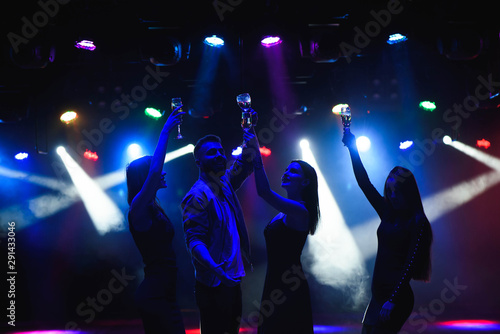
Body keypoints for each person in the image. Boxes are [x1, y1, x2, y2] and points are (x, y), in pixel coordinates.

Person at [342, 130, 433, 334]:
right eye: (389, 191)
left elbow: (409, 264)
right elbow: (365, 184)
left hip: (396, 297)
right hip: (378, 295)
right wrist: (352, 148)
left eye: (397, 192)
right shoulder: (387, 213)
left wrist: (393, 299)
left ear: (408, 192)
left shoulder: (417, 222)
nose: (392, 196)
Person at [180, 111, 257, 334]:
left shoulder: (224, 183)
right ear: (198, 161)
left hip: (230, 280)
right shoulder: (198, 195)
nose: (219, 155)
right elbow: (194, 241)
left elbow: (245, 160)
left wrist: (249, 128)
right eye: (211, 153)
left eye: (221, 151)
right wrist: (216, 269)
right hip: (213, 283)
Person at [246, 127, 320, 334]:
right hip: (276, 280)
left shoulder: (301, 210)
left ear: (305, 182)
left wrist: (256, 152)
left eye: (293, 171)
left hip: (289, 286)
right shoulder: (284, 212)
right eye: (286, 169)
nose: (286, 172)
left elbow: (263, 191)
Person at [126, 107, 186, 334]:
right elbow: (154, 173)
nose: (162, 172)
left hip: (165, 294)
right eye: (154, 167)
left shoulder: (152, 207)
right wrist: (165, 131)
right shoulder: (137, 210)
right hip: (154, 295)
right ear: (145, 176)